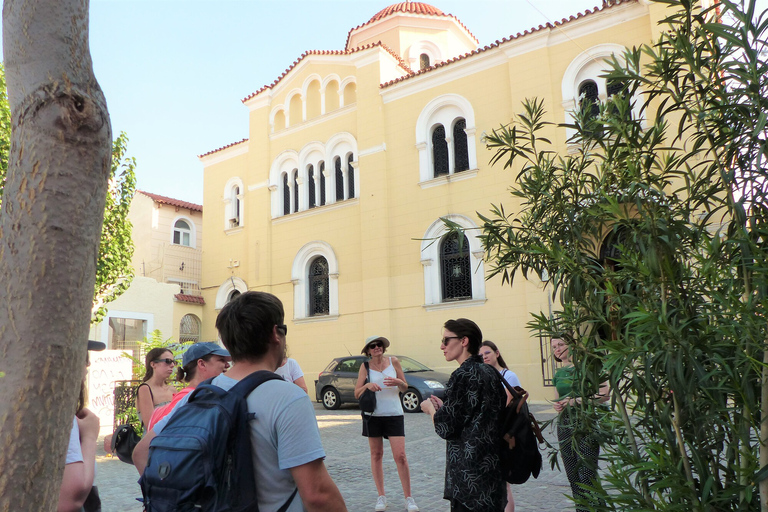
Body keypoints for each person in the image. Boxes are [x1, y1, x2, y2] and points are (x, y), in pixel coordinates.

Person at [133, 291, 347, 512]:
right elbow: (317, 495)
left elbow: (141, 452)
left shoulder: (198, 395)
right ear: (276, 334)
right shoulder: (288, 397)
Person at [421, 319, 507, 512]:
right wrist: (445, 406)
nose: (442, 346)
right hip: (493, 470)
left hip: (469, 477)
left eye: (446, 340)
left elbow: (446, 427)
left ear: (464, 341)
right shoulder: (490, 372)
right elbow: (477, 412)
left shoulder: (462, 375)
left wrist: (431, 409)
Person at [354, 336, 419, 512]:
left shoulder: (394, 362)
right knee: (376, 455)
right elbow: (356, 393)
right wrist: (367, 386)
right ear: (367, 351)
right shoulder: (365, 367)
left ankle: (409, 498)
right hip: (373, 415)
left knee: (401, 456)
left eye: (379, 345)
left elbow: (405, 387)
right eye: (373, 346)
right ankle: (381, 496)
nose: (377, 348)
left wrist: (399, 383)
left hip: (394, 414)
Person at [551, 335, 610, 512]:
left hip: (585, 423)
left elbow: (604, 394)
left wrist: (576, 401)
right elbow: (557, 399)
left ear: (573, 345)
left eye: (561, 344)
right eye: (554, 347)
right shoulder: (559, 373)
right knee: (573, 475)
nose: (558, 349)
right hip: (564, 425)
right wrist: (558, 405)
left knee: (586, 474)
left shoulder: (587, 367)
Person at [58, 340, 104, 512]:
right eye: (84, 358)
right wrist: (90, 437)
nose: (88, 365)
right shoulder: (60, 413)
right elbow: (71, 500)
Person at [146, 342, 231, 431]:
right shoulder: (187, 399)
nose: (228, 365)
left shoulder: (201, 395)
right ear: (202, 364)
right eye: (221, 360)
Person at [480, 340, 519, 512]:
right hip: (487, 433)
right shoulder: (483, 377)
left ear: (497, 353)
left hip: (503, 432)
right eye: (480, 355)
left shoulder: (508, 376)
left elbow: (505, 404)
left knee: (504, 483)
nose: (484, 357)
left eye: (487, 353)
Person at [135, 347, 175, 429]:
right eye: (168, 361)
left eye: (174, 362)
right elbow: (150, 424)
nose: (172, 365)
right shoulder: (145, 389)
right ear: (153, 364)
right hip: (154, 440)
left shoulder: (172, 389)